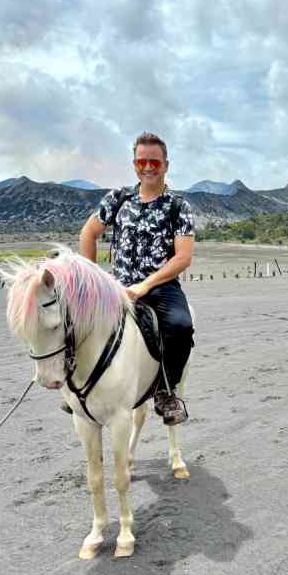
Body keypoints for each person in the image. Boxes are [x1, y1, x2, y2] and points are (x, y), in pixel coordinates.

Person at [79, 132, 195, 425]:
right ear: (134, 164)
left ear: (165, 165)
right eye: (142, 161)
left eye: (154, 161)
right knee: (77, 323)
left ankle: (166, 393)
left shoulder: (178, 206)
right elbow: (88, 233)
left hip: (160, 287)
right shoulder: (118, 198)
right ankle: (77, 390)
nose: (148, 167)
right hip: (117, 286)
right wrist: (92, 279)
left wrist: (145, 285)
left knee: (181, 327)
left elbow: (182, 258)